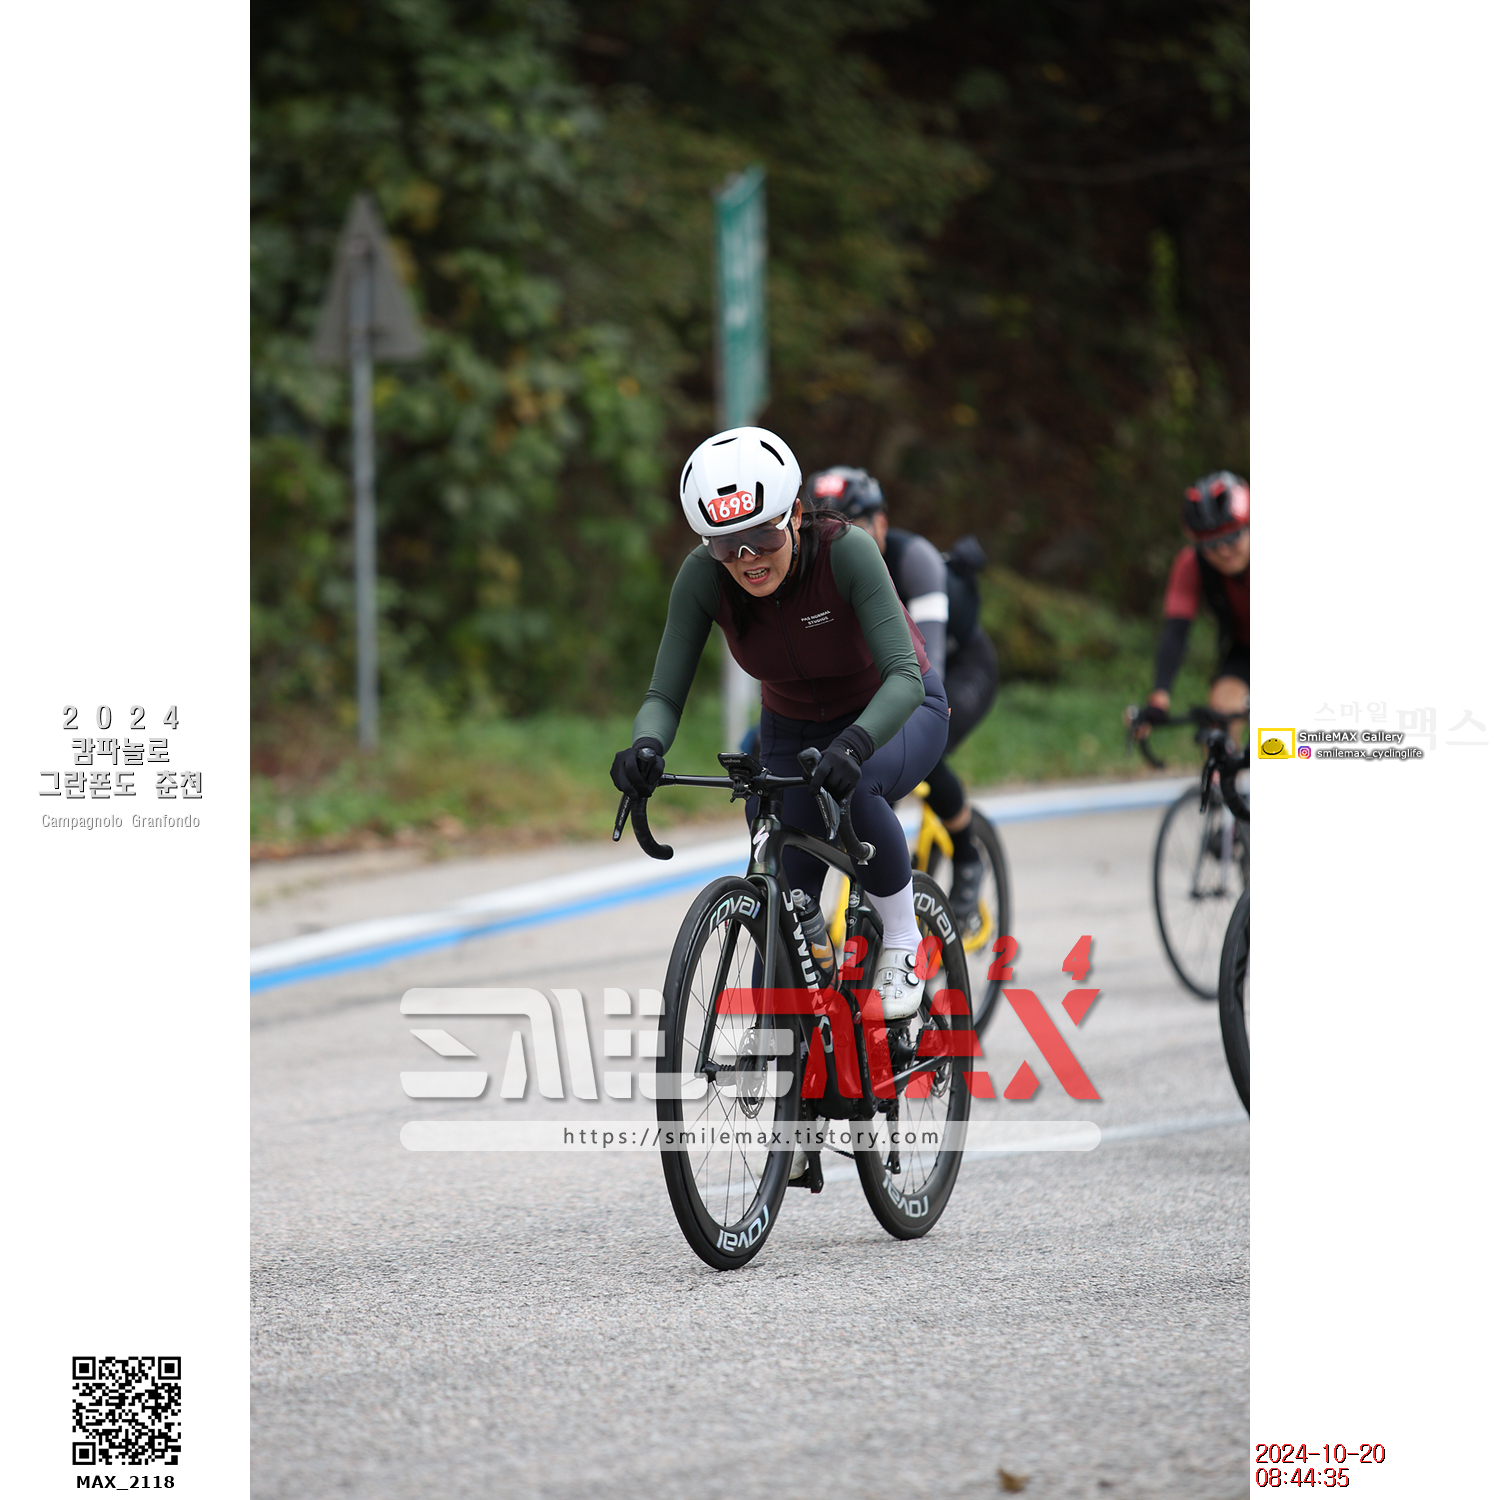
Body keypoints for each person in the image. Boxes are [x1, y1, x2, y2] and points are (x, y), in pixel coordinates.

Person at [610, 427, 950, 1021]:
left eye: (763, 537)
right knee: (780, 889)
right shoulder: (702, 576)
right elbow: (663, 695)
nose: (748, 558)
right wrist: (645, 746)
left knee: (856, 792)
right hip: (791, 729)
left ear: (794, 514)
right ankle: (793, 1018)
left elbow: (903, 676)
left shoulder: (846, 551)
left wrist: (855, 743)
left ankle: (901, 940)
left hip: (894, 710)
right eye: (727, 545)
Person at [810, 466, 998, 928]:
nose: (834, 538)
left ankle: (968, 855)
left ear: (881, 523)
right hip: (888, 674)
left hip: (957, 667)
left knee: (916, 745)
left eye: (850, 525)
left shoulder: (916, 560)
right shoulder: (818, 568)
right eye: (823, 528)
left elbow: (924, 673)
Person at [1136, 470, 1249, 740]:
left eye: (1232, 539)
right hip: (1246, 650)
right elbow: (1176, 631)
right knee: (1218, 721)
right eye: (1212, 544)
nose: (1223, 551)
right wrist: (1159, 697)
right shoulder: (1191, 564)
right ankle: (1223, 767)